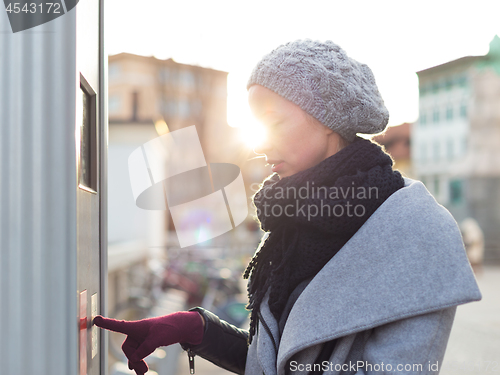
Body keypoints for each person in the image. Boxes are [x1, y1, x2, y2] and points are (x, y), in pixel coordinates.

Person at [94, 40, 482, 375]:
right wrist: (197, 329)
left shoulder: (414, 232)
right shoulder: (291, 220)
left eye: (273, 122)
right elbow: (279, 360)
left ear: (328, 119)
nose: (260, 145)